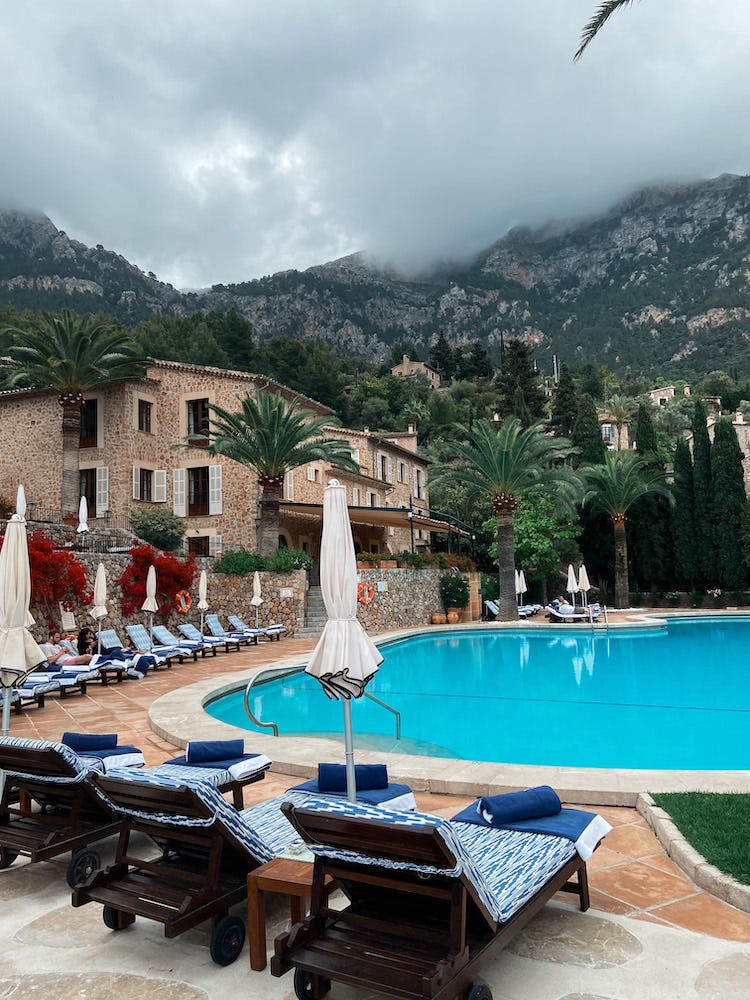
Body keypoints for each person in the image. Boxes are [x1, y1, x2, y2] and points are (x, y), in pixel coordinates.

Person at [76, 625, 156, 677]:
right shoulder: (81, 644)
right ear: (84, 635)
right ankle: (135, 653)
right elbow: (84, 654)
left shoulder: (92, 639)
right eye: (88, 634)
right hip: (99, 655)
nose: (89, 635)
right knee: (117, 651)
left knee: (118, 648)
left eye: (90, 633)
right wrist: (90, 647)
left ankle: (134, 652)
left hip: (105, 651)